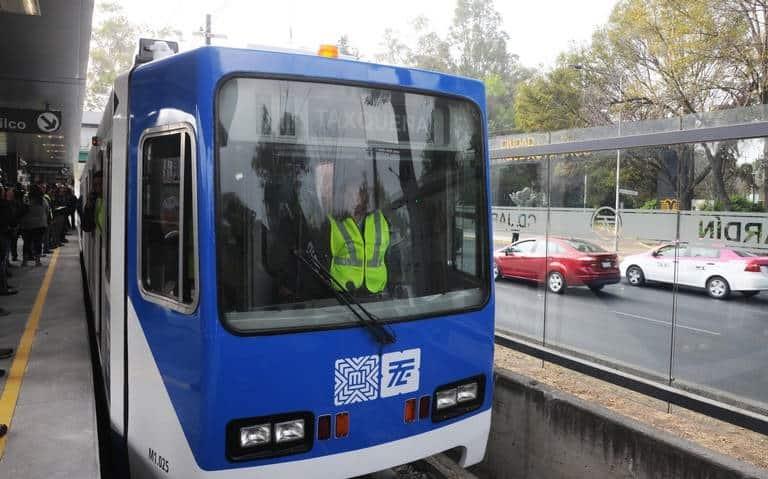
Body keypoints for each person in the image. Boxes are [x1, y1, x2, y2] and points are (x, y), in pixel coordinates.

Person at [326, 179, 390, 295]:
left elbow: (388, 254)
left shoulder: (380, 219)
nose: (353, 197)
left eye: (356, 192)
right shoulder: (332, 222)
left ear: (364, 196)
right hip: (341, 296)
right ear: (342, 197)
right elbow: (323, 258)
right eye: (348, 193)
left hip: (379, 295)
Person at [21, 185, 49, 267]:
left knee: (26, 243)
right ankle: (37, 261)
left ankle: (24, 262)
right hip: (40, 225)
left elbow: (22, 210)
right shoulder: (43, 200)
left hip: (27, 225)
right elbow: (47, 211)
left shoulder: (26, 200)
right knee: (38, 243)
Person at [0, 185, 18, 295]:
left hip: (3, 235)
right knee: (2, 264)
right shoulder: (5, 205)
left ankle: (4, 285)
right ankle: (3, 288)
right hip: (3, 235)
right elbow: (12, 220)